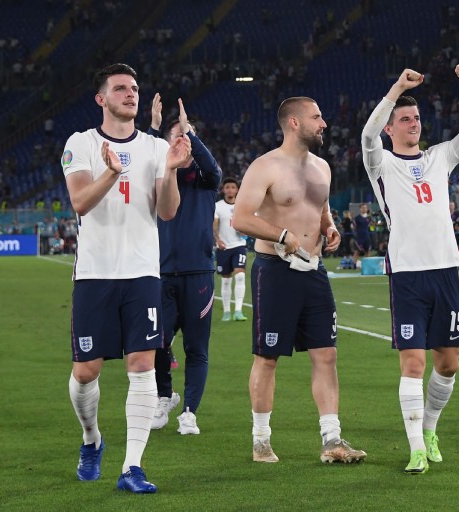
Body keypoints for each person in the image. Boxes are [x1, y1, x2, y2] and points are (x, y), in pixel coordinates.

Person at [62, 63, 191, 493]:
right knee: (86, 371)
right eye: (120, 88)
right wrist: (112, 172)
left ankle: (132, 467)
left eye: (134, 87)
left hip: (142, 273)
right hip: (95, 274)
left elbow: (167, 211)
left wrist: (172, 169)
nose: (131, 93)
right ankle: (92, 439)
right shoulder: (81, 143)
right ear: (101, 99)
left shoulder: (155, 147)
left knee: (142, 365)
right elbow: (80, 202)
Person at [361, 63, 459, 474]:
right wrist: (396, 88)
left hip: (445, 271)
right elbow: (366, 136)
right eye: (404, 119)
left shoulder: (440, 157)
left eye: (416, 118)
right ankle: (416, 447)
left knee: (448, 364)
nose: (413, 123)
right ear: (390, 128)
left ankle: (430, 428)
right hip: (407, 276)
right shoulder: (381, 163)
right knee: (413, 363)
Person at [232, 96, 366, 465]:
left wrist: (330, 227)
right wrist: (281, 234)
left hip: (314, 270)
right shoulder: (265, 166)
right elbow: (240, 218)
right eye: (316, 117)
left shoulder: (322, 167)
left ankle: (332, 438)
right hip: (275, 270)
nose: (324, 124)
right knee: (267, 357)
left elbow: (321, 209)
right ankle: (261, 440)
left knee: (326, 354)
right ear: (294, 123)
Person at [148, 95, 222, 435]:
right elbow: (144, 161)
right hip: (161, 273)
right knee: (157, 342)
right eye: (175, 136)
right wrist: (153, 129)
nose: (182, 140)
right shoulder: (157, 177)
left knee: (196, 348)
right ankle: (164, 396)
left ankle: (189, 412)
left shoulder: (205, 177)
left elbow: (213, 169)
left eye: (187, 136)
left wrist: (188, 131)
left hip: (199, 273)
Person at [214, 177, 248, 321]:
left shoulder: (242, 206)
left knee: (240, 276)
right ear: (223, 190)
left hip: (239, 245)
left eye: (233, 187)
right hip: (223, 247)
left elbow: (248, 224)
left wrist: (245, 231)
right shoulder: (217, 206)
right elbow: (214, 225)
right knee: (226, 280)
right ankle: (227, 312)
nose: (230, 190)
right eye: (227, 187)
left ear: (237, 190)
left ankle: (238, 311)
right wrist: (217, 240)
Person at [352, 203, 372, 267]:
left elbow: (370, 226)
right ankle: (354, 265)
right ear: (360, 209)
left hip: (367, 236)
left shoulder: (369, 218)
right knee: (357, 251)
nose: (364, 209)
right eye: (363, 208)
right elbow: (353, 227)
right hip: (359, 237)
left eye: (365, 208)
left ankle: (367, 265)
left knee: (368, 251)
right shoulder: (357, 218)